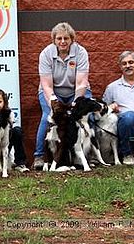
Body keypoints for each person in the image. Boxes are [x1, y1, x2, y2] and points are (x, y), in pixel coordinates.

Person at [32, 22, 92, 170]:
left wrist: (76, 102)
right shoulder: (46, 53)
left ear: (72, 39)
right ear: (54, 40)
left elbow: (81, 81)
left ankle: (83, 156)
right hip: (53, 90)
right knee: (49, 116)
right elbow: (46, 85)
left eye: (66, 38)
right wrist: (53, 102)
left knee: (83, 118)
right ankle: (39, 155)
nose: (63, 41)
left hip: (77, 90)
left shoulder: (81, 52)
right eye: (59, 38)